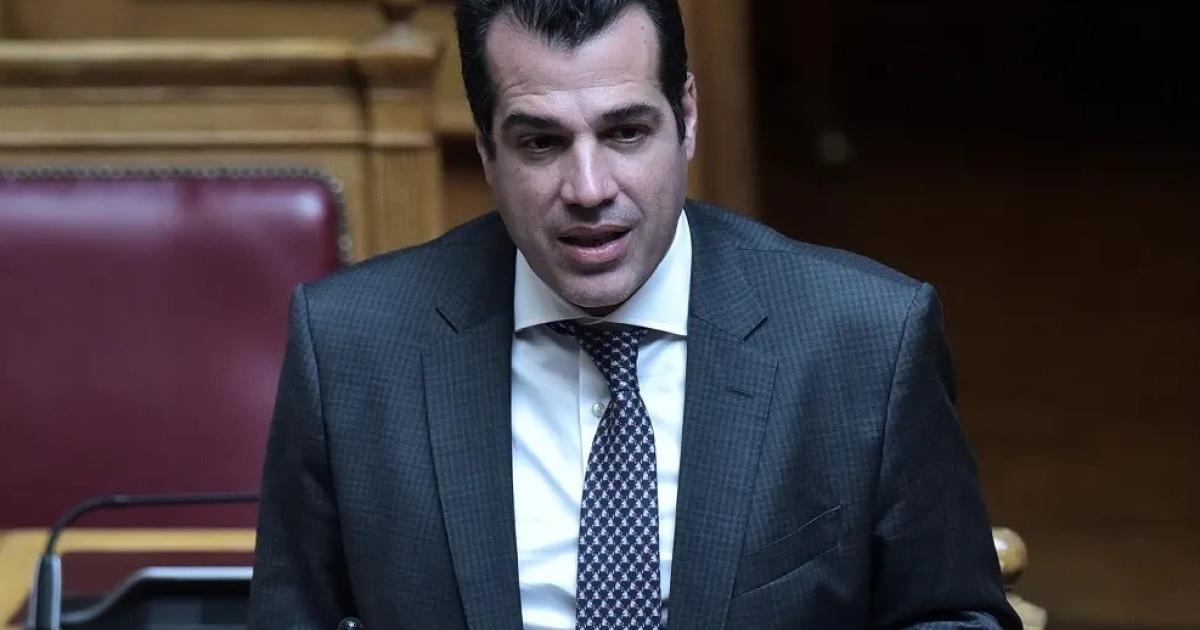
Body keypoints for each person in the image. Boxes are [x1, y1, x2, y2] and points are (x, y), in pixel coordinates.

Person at [248, 1, 1021, 628]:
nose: (589, 188)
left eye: (625, 132)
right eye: (541, 143)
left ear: (686, 117)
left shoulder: (866, 341)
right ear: (486, 151)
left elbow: (953, 618)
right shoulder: (350, 348)